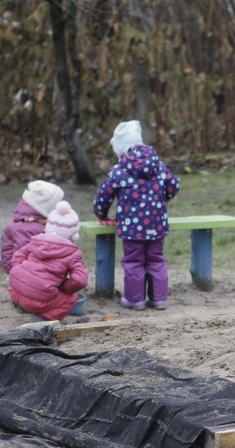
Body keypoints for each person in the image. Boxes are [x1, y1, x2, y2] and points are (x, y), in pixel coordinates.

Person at [93, 120, 180, 310]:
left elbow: (104, 196)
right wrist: (165, 198)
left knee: (133, 261)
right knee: (156, 259)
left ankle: (135, 299)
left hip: (132, 228)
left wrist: (101, 214)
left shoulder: (120, 170)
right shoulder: (160, 166)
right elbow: (174, 186)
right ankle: (159, 299)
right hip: (157, 225)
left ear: (122, 150)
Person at [8, 200, 88, 322]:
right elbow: (80, 280)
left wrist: (20, 274)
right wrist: (65, 288)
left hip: (15, 291)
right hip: (39, 299)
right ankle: (42, 319)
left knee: (32, 292)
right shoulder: (73, 253)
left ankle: (22, 306)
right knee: (71, 299)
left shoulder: (36, 241)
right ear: (74, 235)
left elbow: (17, 257)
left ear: (48, 228)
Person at [0, 180, 65, 275]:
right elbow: (24, 257)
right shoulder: (29, 228)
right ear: (46, 207)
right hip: (22, 275)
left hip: (21, 272)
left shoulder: (24, 221)